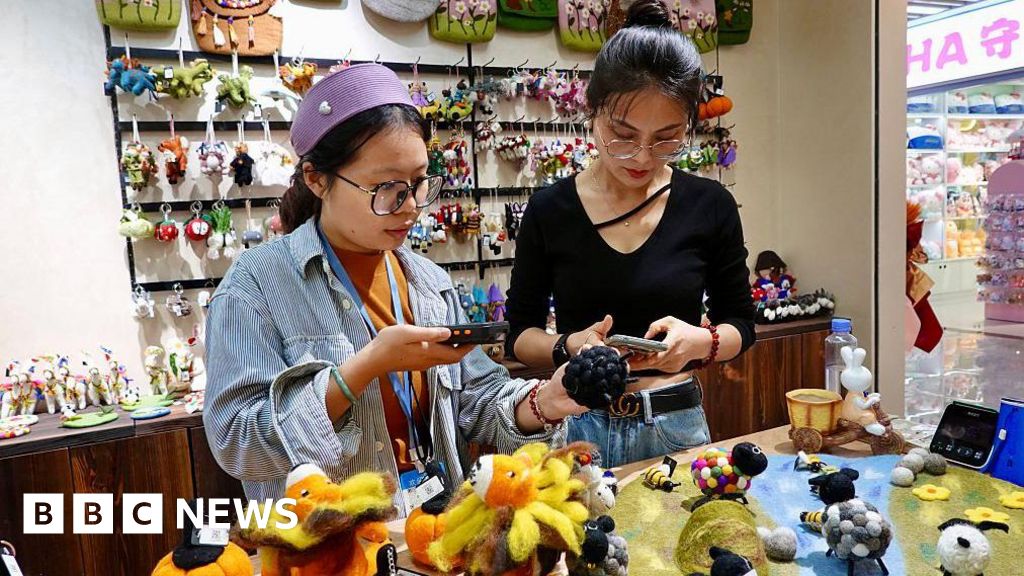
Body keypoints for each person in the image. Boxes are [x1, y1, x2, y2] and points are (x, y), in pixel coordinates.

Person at [203, 64, 583, 514]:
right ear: (316, 178)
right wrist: (360, 371)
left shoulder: (427, 281)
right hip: (333, 553)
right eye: (386, 188)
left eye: (419, 183)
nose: (411, 208)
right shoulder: (256, 287)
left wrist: (546, 400)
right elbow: (236, 443)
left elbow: (477, 401)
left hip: (434, 539)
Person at [505, 0, 756, 467]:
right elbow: (520, 335)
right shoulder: (549, 209)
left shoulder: (710, 205)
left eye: (667, 138)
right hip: (578, 427)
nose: (641, 156)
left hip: (674, 423)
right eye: (622, 134)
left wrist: (701, 343)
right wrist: (568, 344)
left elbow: (741, 323)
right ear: (592, 111)